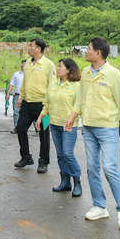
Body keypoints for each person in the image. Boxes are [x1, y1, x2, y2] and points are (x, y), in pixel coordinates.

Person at [65, 37, 120, 230]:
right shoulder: (86, 73)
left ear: (98, 53)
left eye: (88, 49)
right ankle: (99, 206)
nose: (85, 51)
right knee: (92, 167)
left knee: (110, 167)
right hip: (88, 127)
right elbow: (80, 98)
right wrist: (73, 116)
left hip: (108, 128)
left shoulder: (114, 75)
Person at [35, 58, 82, 196]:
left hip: (68, 125)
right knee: (60, 155)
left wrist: (75, 120)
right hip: (54, 124)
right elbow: (47, 104)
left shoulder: (76, 86)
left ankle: (77, 182)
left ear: (69, 70)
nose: (58, 68)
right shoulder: (53, 84)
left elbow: (79, 105)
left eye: (60, 66)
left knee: (68, 153)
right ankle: (65, 182)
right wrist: (41, 118)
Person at [15, 39, 55, 173]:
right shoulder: (27, 63)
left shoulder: (49, 65)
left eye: (31, 46)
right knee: (20, 128)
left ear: (38, 49)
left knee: (44, 133)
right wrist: (21, 97)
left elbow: (52, 86)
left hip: (43, 105)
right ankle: (26, 157)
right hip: (28, 103)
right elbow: (25, 82)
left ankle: (43, 161)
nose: (29, 48)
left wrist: (48, 106)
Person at [8, 60, 26, 134]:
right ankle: (16, 127)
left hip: (26, 96)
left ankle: (36, 128)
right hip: (17, 95)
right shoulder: (16, 74)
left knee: (28, 112)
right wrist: (8, 93)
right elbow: (11, 84)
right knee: (16, 112)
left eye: (24, 64)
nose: (23, 65)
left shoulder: (29, 75)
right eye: (22, 64)